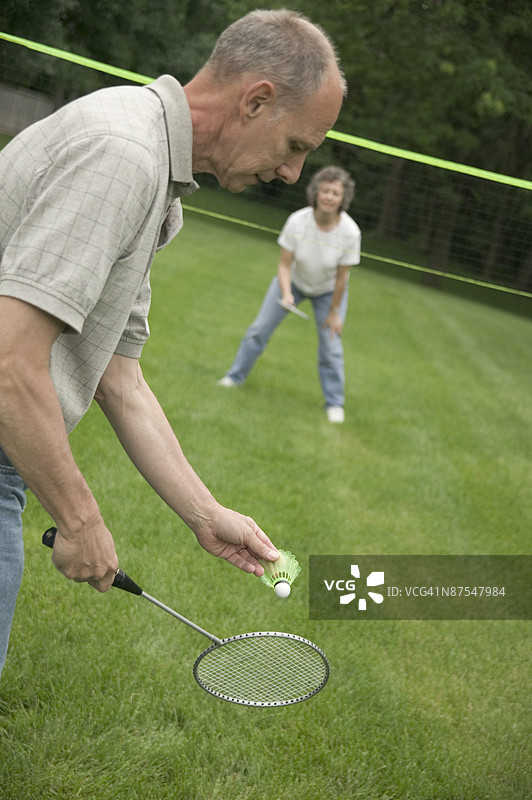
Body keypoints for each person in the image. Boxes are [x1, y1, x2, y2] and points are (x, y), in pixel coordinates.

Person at [0, 9, 346, 678]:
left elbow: (118, 376)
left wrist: (204, 513)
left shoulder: (156, 179)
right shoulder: (123, 155)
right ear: (256, 101)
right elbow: (10, 359)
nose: (292, 173)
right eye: (296, 145)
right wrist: (79, 519)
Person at [218, 166, 361, 423]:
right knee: (258, 331)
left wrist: (334, 313)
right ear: (316, 192)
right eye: (325, 190)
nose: (329, 197)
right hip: (292, 282)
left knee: (331, 348)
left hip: (328, 292)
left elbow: (342, 278)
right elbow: (284, 264)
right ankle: (234, 377)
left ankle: (335, 404)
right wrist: (286, 293)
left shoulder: (351, 232)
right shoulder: (298, 220)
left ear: (343, 199)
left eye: (335, 193)